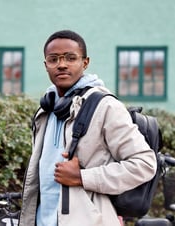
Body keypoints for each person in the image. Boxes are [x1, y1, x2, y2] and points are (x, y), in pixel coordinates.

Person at [18, 30, 157, 226]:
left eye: (70, 58)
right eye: (53, 59)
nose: (62, 64)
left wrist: (83, 177)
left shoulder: (105, 106)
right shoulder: (45, 111)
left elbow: (144, 164)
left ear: (85, 63)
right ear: (46, 65)